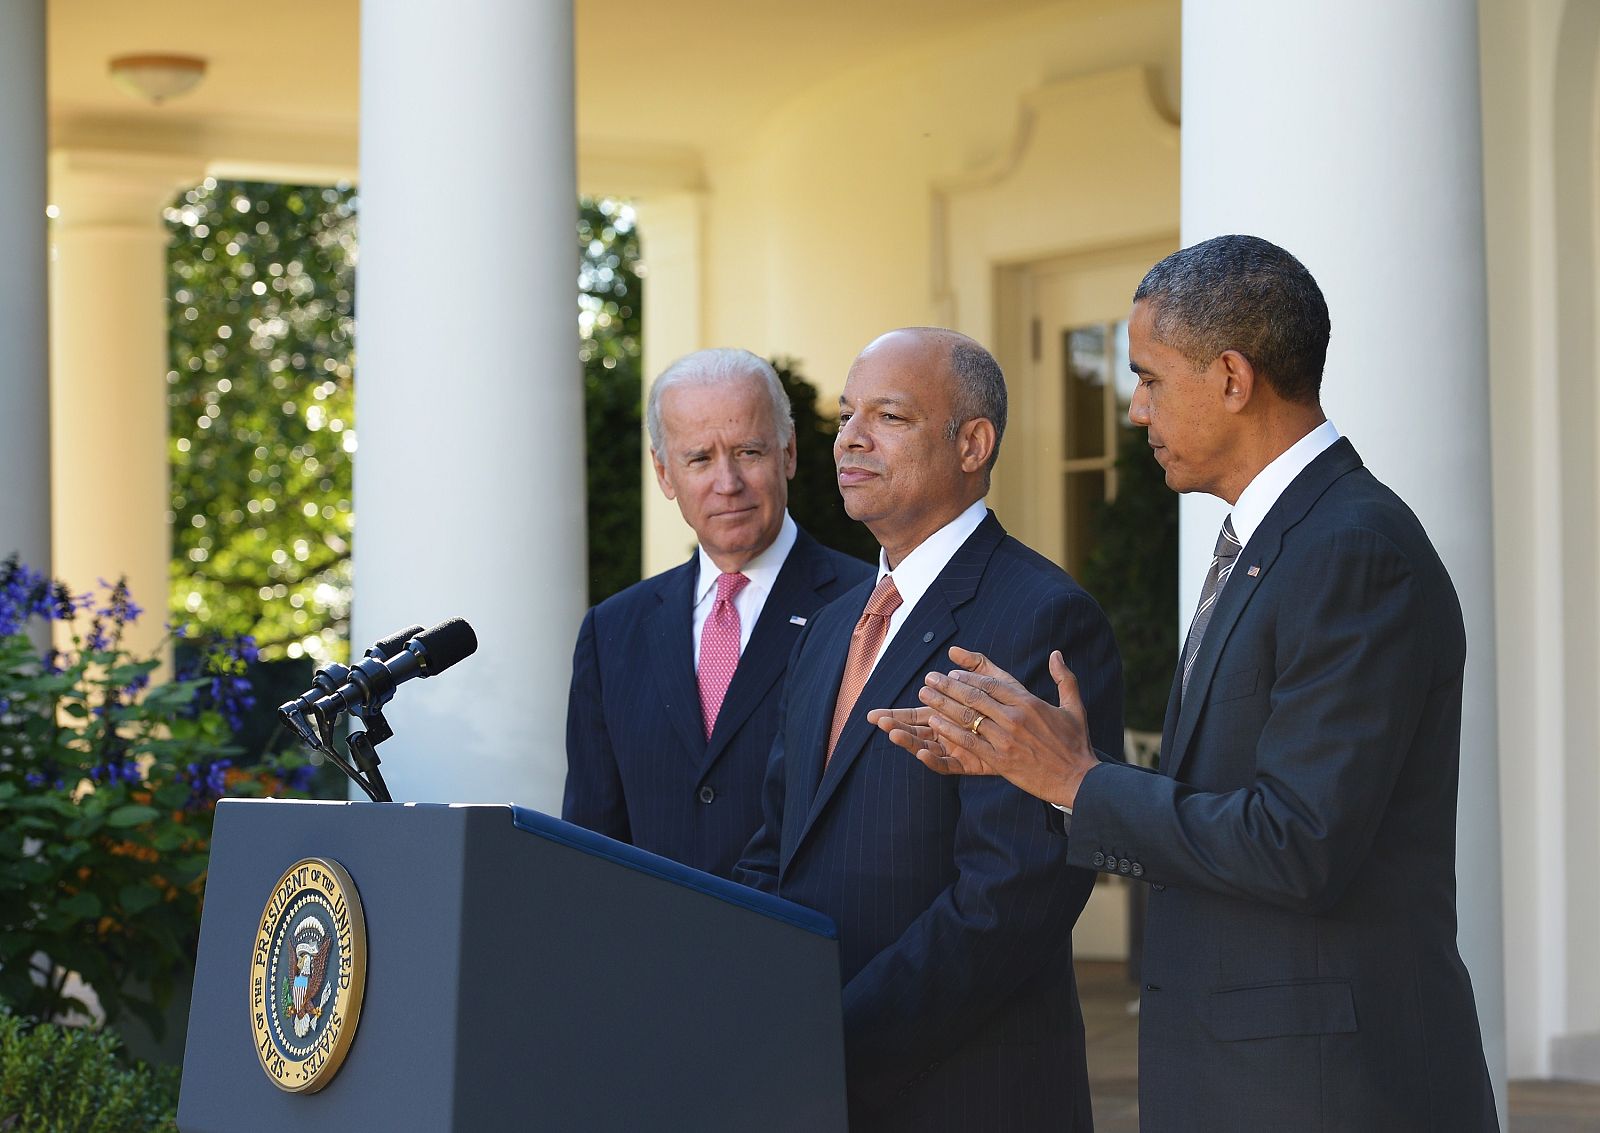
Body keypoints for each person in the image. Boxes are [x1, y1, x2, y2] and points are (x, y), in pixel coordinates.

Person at [871, 236, 1498, 1131]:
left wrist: (1076, 780)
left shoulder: (1350, 550)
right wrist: (1042, 773)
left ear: (1233, 379)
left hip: (1325, 1093)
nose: (1136, 410)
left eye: (1152, 378)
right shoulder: (1281, 542)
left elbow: (1299, 844)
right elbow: (1231, 807)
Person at [735, 328, 1122, 1131]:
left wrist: (834, 1041)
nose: (849, 438)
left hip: (965, 1090)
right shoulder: (832, 623)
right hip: (805, 1085)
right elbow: (778, 843)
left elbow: (1011, 895)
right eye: (845, 415)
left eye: (890, 417)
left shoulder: (1039, 615)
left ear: (972, 443)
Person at [563, 348, 871, 879]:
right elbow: (592, 842)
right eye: (699, 459)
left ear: (789, 453)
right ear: (664, 473)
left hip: (811, 952)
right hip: (658, 954)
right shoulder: (612, 631)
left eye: (749, 452)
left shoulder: (869, 608)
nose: (727, 483)